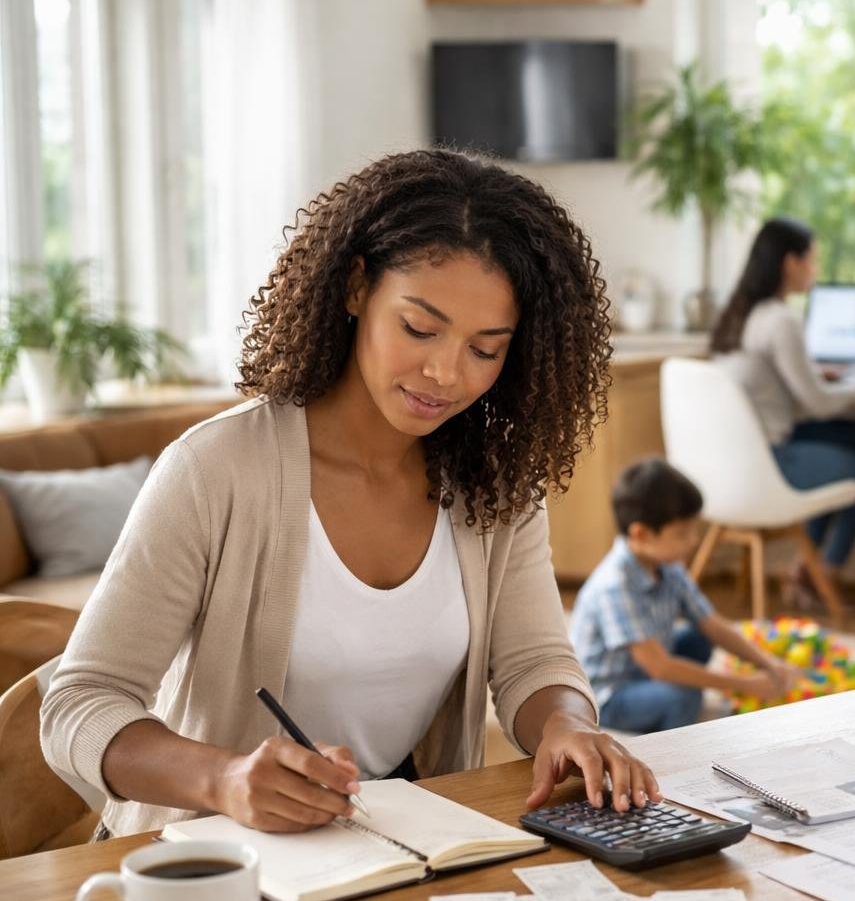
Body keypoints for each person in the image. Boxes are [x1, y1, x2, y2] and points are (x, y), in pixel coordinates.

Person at [40, 149, 660, 837]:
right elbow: (81, 703)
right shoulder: (216, 470)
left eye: (485, 349)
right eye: (419, 328)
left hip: (395, 849)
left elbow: (533, 662)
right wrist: (224, 778)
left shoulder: (495, 485)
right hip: (208, 862)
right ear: (357, 288)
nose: (444, 373)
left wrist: (567, 726)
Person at [711, 217, 855, 609]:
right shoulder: (781, 320)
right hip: (773, 458)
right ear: (789, 263)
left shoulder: (736, 315)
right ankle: (819, 576)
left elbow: (775, 387)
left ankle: (807, 572)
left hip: (730, 463)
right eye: (811, 261)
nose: (814, 270)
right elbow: (817, 403)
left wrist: (818, 373)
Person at [570, 457, 800, 733]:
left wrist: (768, 663)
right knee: (686, 695)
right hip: (610, 694)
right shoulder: (614, 585)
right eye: (682, 534)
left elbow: (713, 625)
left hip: (647, 664)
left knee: (702, 638)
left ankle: (666, 699)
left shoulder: (668, 567)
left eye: (694, 530)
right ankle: (670, 730)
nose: (693, 541)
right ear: (641, 534)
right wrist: (744, 684)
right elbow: (660, 668)